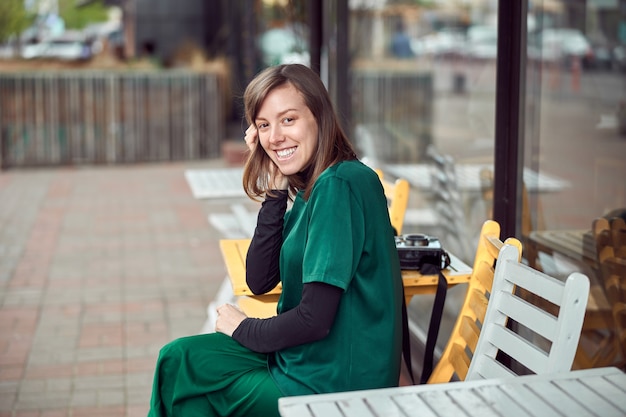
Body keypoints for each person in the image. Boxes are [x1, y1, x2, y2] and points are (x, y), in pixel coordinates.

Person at [146, 63, 403, 417]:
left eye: (288, 120)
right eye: (264, 125)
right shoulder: (314, 186)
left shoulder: (339, 186)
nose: (275, 137)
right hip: (304, 358)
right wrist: (275, 189)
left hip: (336, 383)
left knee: (192, 387)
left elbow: (314, 319)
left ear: (319, 116)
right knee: (177, 359)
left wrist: (243, 327)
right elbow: (260, 278)